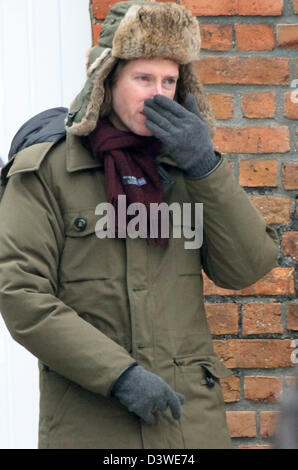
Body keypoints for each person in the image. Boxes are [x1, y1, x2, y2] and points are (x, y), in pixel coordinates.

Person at [0, 1, 278, 449]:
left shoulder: (187, 168)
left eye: (169, 81)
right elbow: (21, 294)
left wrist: (206, 167)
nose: (157, 95)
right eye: (143, 79)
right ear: (106, 81)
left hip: (190, 424)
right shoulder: (48, 171)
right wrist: (119, 375)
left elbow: (245, 268)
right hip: (92, 422)